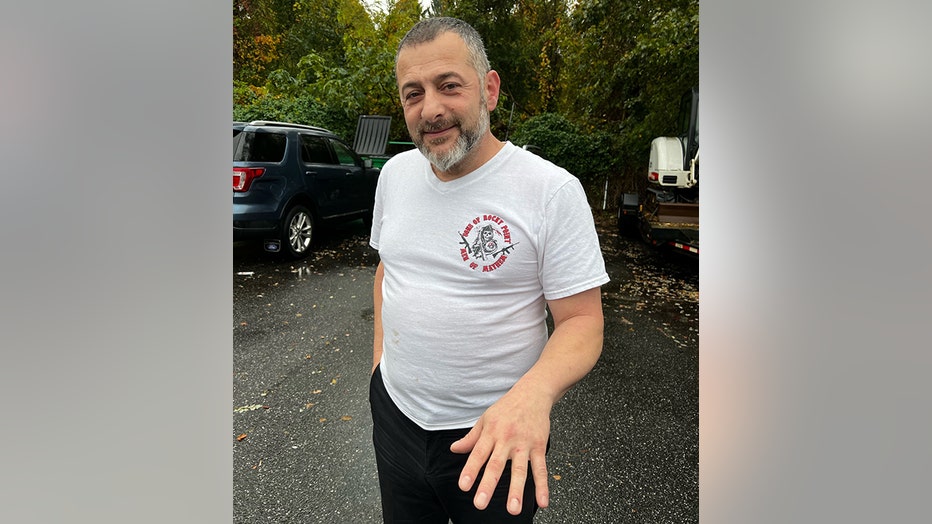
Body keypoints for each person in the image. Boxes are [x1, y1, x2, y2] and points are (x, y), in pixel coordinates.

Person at [369, 16, 609, 523]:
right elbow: (388, 271)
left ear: (490, 89)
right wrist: (378, 368)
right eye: (413, 93)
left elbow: (582, 322)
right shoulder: (393, 176)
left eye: (448, 86)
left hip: (495, 438)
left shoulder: (551, 191)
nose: (430, 108)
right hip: (395, 418)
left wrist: (533, 396)